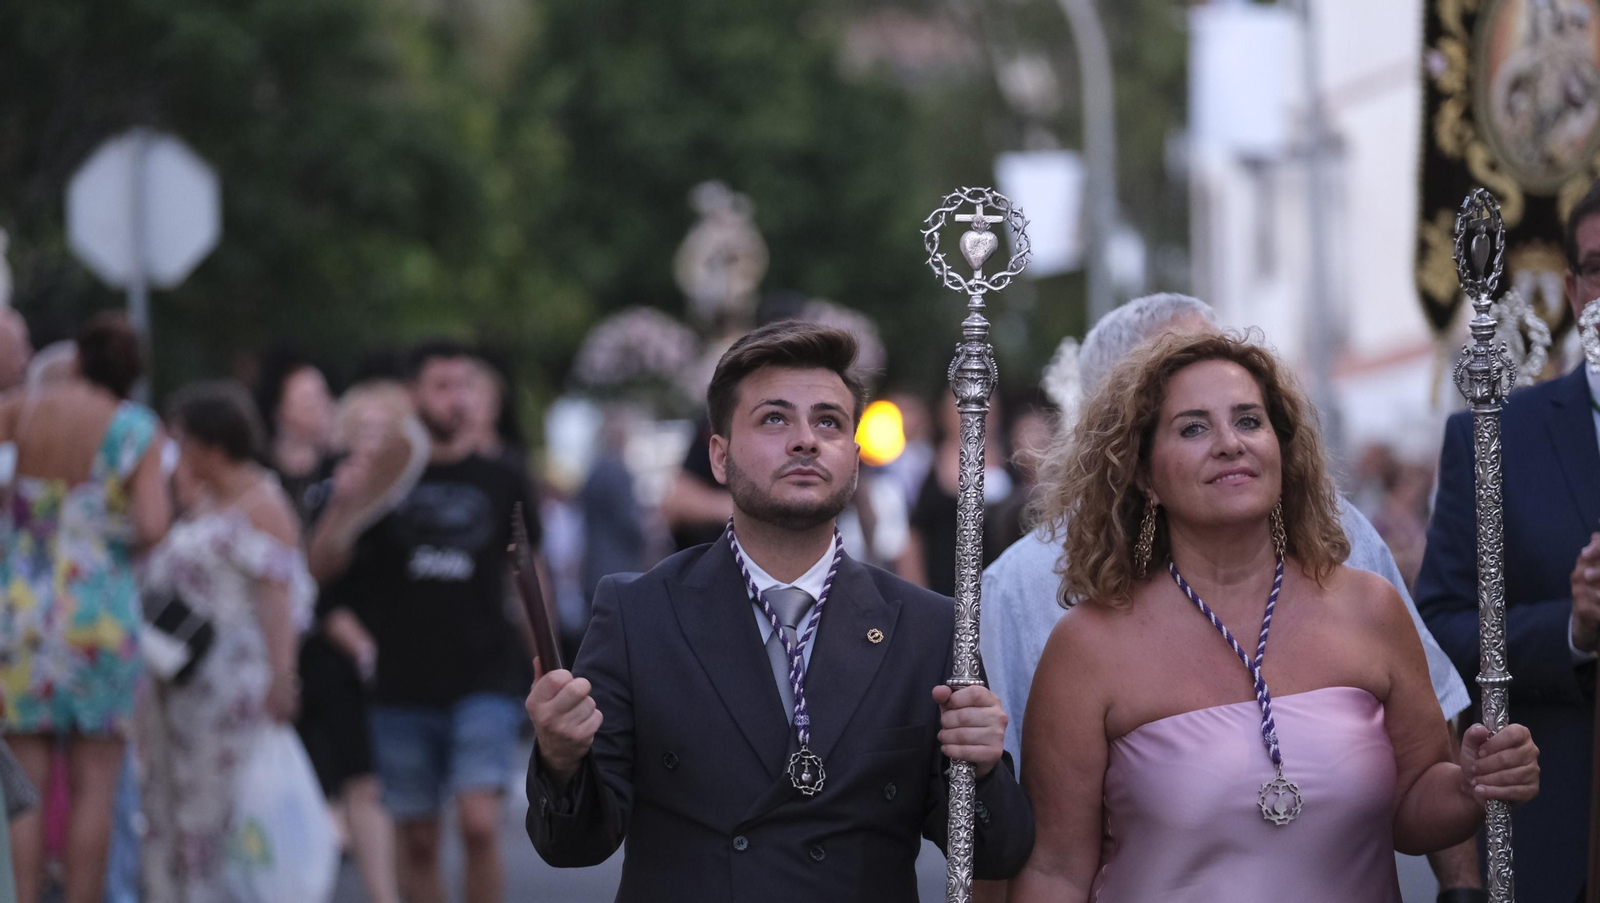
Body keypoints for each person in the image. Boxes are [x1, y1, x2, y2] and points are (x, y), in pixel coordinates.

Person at [979, 293, 1480, 899]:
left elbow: (1413, 804)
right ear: (1143, 474)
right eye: (1193, 428)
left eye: (1249, 420)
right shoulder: (1085, 648)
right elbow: (1055, 868)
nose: (1229, 443)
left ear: (1282, 447)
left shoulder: (1371, 608)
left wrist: (1471, 786)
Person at [523, 321, 1034, 901]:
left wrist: (985, 768)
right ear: (719, 456)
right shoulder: (639, 614)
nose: (805, 440)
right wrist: (560, 760)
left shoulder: (927, 628)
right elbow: (575, 846)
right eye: (774, 418)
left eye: (828, 422)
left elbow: (996, 854)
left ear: (856, 459)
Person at [1416, 176, 1600, 902]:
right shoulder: (1494, 437)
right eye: (1599, 268)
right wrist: (1573, 629)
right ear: (1573, 288)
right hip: (1566, 838)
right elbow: (1443, 627)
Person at [311, 341, 539, 903]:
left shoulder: (501, 476)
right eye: (442, 386)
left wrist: (549, 663)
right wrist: (345, 503)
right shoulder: (385, 478)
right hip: (401, 684)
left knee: (480, 823)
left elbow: (530, 576)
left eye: (464, 385)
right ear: (413, 395)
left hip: (485, 674)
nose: (456, 399)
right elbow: (321, 569)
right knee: (417, 839)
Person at [0, 313, 169, 903]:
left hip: (22, 611)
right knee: (96, 784)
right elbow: (153, 524)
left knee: (25, 781)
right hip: (98, 612)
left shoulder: (18, 411)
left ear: (75, 361)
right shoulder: (134, 428)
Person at [137, 381, 314, 902]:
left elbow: (278, 599)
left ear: (212, 444)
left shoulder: (263, 503)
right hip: (182, 684)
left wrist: (284, 676)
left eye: (184, 440)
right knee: (176, 805)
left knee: (217, 809)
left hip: (231, 684)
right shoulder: (207, 499)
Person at [255, 355, 401, 903]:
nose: (320, 407)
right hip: (274, 652)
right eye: (307, 398)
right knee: (292, 782)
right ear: (279, 408)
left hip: (331, 651)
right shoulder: (255, 473)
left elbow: (332, 571)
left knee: (362, 779)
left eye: (323, 396)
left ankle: (382, 894)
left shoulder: (343, 473)